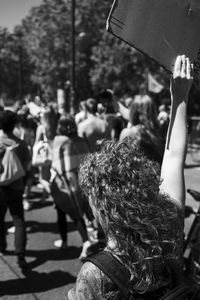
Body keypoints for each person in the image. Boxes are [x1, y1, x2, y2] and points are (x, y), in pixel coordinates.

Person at [68, 55, 193, 299]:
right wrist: (180, 96)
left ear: (103, 205)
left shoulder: (94, 273)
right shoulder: (169, 224)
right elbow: (174, 156)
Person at [51, 114, 92, 259]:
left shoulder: (58, 141)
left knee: (69, 213)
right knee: (87, 211)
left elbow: (56, 164)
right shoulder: (81, 140)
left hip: (66, 183)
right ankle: (91, 240)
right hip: (84, 181)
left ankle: (82, 241)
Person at [0, 110, 31, 269]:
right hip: (17, 187)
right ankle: (20, 255)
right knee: (18, 220)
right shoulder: (21, 144)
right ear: (14, 125)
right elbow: (26, 167)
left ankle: (2, 245)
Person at [119, 92, 164, 164]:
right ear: (153, 111)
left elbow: (121, 161)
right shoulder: (159, 131)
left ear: (133, 111)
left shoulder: (127, 133)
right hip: (157, 173)